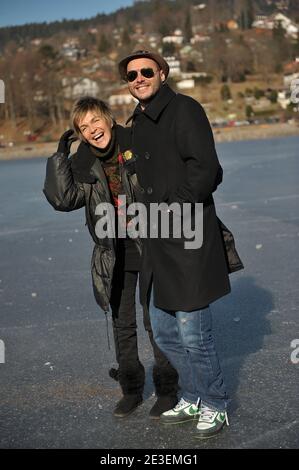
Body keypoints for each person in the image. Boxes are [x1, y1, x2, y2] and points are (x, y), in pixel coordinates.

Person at [118, 50, 243, 438]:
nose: (138, 78)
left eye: (145, 71)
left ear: (162, 73)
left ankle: (216, 403)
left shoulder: (185, 109)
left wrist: (171, 209)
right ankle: (192, 395)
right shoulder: (136, 121)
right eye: (131, 74)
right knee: (165, 330)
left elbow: (206, 169)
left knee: (194, 333)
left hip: (187, 237)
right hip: (158, 242)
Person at [43, 96, 178, 420]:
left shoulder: (135, 141)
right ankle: (131, 390)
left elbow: (163, 178)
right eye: (83, 127)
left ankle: (167, 389)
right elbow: (64, 199)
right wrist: (60, 157)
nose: (92, 130)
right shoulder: (81, 160)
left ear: (108, 119)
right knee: (123, 324)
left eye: (95, 121)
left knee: (156, 322)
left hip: (150, 245)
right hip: (113, 253)